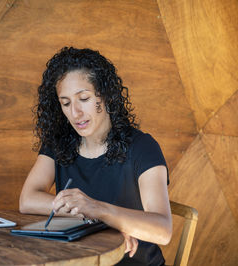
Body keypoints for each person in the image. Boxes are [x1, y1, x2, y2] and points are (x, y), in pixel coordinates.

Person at [19, 47, 172, 266]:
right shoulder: (59, 142)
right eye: (66, 103)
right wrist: (94, 218)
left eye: (83, 98)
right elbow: (27, 200)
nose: (75, 113)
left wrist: (97, 208)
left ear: (106, 94)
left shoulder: (142, 147)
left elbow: (163, 230)